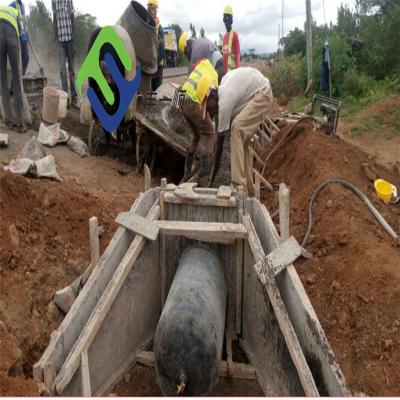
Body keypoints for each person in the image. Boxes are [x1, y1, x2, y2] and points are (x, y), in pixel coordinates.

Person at [205, 67, 273, 196]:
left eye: (208, 108)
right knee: (243, 142)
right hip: (258, 92)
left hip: (263, 95)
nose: (210, 113)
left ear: (212, 98)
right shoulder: (224, 85)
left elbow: (219, 146)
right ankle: (249, 189)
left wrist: (212, 179)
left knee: (236, 128)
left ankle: (238, 186)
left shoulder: (224, 102)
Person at [180, 59, 218, 182]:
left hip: (182, 99)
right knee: (210, 133)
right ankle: (205, 172)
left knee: (197, 134)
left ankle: (186, 170)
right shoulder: (214, 76)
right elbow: (212, 102)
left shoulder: (202, 65)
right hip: (193, 101)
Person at [0, 5, 26, 132]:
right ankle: (20, 123)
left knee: (2, 78)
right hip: (11, 33)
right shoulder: (16, 11)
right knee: (16, 77)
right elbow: (21, 32)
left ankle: (8, 120)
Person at [52, 0, 78, 108]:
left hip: (70, 40)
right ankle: (65, 98)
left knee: (71, 70)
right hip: (60, 42)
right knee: (63, 71)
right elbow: (54, 21)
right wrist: (55, 40)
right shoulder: (53, 2)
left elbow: (72, 18)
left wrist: (74, 40)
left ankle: (75, 98)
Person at [147, 0, 165, 92]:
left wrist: (155, 65)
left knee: (157, 89)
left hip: (157, 64)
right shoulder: (145, 24)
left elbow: (161, 49)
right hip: (148, 63)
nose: (152, 10)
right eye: (150, 8)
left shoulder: (159, 28)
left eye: (154, 9)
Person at [9, 0, 29, 75]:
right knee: (18, 59)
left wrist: (27, 33)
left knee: (26, 57)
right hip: (17, 36)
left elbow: (23, 20)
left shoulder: (23, 5)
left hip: (25, 37)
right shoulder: (12, 4)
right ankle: (17, 77)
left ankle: (21, 75)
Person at [222, 5, 240, 74]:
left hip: (233, 73)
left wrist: (237, 71)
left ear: (231, 21)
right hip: (225, 72)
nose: (226, 24)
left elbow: (237, 54)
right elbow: (224, 54)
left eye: (228, 21)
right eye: (225, 22)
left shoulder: (235, 35)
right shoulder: (224, 37)